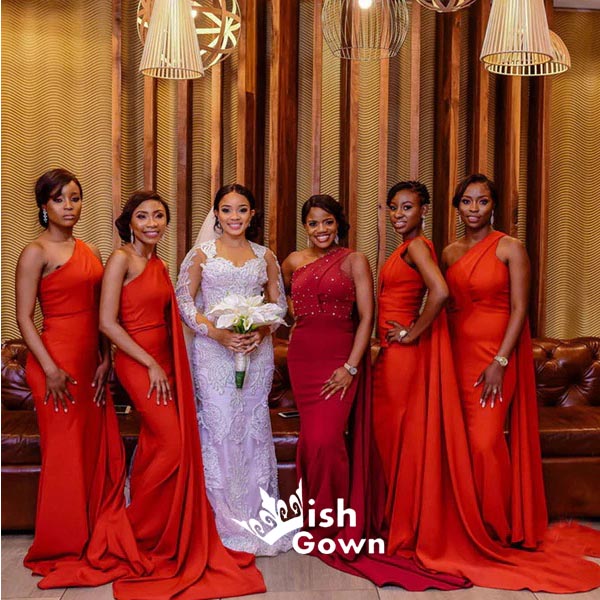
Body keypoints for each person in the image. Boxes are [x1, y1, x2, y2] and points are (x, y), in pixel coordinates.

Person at [281, 194, 467, 590]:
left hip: (340, 358)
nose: (321, 230)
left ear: (338, 224)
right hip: (302, 359)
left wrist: (350, 366)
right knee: (312, 441)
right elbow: (281, 303)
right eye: (313, 223)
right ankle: (314, 519)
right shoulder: (293, 262)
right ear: (305, 226)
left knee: (327, 440)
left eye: (328, 222)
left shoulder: (355, 260)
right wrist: (287, 323)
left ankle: (334, 523)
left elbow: (367, 317)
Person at [93, 191, 264, 598]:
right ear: (129, 222)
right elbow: (107, 322)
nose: (152, 223)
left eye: (159, 216)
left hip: (167, 361)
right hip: (139, 363)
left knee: (160, 444)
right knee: (171, 443)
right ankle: (136, 526)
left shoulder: (158, 263)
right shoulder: (120, 259)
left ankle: (164, 528)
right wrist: (149, 364)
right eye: (143, 216)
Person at [16, 169, 137, 580]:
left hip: (90, 365)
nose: (69, 206)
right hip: (54, 365)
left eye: (75, 197)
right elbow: (23, 317)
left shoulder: (90, 249)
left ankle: (91, 532)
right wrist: (50, 368)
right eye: (59, 199)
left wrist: (105, 358)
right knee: (65, 455)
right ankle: (62, 543)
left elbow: (102, 312)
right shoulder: (35, 252)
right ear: (43, 206)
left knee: (91, 449)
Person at [176, 183, 291, 555]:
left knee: (253, 427)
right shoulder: (201, 254)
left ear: (252, 214)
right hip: (213, 354)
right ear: (216, 214)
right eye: (226, 210)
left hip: (256, 353)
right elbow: (184, 301)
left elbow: (278, 303)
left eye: (242, 209)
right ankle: (220, 519)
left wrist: (260, 330)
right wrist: (218, 333)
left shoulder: (265, 255)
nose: (234, 217)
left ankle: (257, 514)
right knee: (221, 427)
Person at [372, 181, 449, 547]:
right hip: (391, 353)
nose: (398, 214)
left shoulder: (417, 246)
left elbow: (441, 291)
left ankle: (406, 522)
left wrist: (413, 332)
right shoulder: (406, 248)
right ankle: (399, 516)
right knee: (394, 435)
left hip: (402, 356)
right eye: (393, 207)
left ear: (423, 211)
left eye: (407, 207)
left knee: (399, 436)